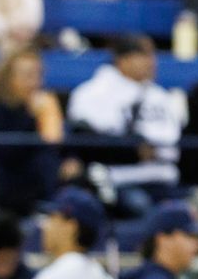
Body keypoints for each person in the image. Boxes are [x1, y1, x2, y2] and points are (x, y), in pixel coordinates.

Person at [66, 35, 185, 217]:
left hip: (164, 180)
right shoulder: (92, 93)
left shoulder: (162, 96)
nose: (152, 61)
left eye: (152, 54)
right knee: (143, 208)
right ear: (122, 59)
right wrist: (134, 150)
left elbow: (172, 146)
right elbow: (88, 142)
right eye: (143, 55)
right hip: (120, 182)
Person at [0, 46, 67, 217]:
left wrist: (69, 159)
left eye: (38, 75)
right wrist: (31, 118)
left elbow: (54, 145)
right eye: (27, 76)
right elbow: (7, 153)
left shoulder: (42, 108)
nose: (34, 82)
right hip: (12, 196)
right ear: (8, 78)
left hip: (45, 191)